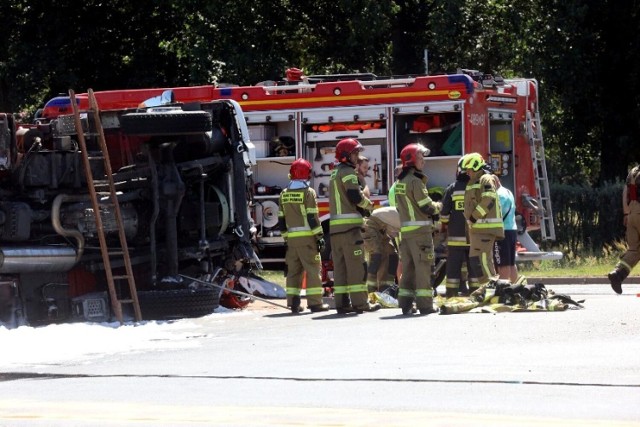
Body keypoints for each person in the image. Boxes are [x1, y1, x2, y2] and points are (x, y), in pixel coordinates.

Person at [329, 138, 380, 314]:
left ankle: (342, 304)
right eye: (354, 153)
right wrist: (369, 205)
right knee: (357, 267)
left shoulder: (335, 173)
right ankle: (361, 304)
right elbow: (355, 196)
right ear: (345, 155)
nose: (357, 158)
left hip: (335, 231)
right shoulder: (349, 172)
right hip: (350, 230)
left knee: (341, 269)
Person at [277, 158, 329, 313]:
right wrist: (319, 237)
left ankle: (293, 303)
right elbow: (312, 218)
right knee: (313, 270)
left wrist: (286, 237)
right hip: (308, 240)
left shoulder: (284, 194)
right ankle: (315, 303)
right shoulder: (308, 192)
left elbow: (281, 220)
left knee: (293, 272)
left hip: (292, 241)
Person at [394, 143, 441, 315]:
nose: (424, 162)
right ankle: (425, 305)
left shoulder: (400, 183)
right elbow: (426, 206)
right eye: (421, 158)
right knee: (424, 269)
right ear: (412, 160)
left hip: (406, 234)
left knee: (408, 269)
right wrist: (439, 206)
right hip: (420, 234)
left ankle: (405, 304)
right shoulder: (415, 182)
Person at [462, 153, 504, 293]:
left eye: (468, 169)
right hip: (476, 230)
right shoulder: (472, 182)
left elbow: (488, 200)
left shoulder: (485, 179)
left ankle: (493, 288)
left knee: (483, 260)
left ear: (475, 166)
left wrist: (474, 217)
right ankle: (488, 287)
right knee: (476, 260)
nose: (467, 172)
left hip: (485, 229)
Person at [440, 156, 477, 297]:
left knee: (453, 266)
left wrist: (446, 225)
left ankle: (451, 293)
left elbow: (444, 214)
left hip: (455, 237)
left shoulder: (452, 188)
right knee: (473, 264)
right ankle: (474, 292)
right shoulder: (475, 187)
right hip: (472, 236)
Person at [608, 164, 640, 294]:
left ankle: (618, 274)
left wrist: (627, 213)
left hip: (632, 214)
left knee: (634, 250)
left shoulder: (633, 171)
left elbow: (626, 192)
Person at [363, 206, 400, 293]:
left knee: (392, 255)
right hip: (370, 226)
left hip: (381, 230)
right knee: (376, 255)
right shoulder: (406, 219)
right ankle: (370, 289)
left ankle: (386, 287)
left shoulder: (403, 216)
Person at [492, 175, 518, 282]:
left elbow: (498, 213)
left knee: (502, 263)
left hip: (502, 232)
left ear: (496, 182)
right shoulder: (508, 192)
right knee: (511, 263)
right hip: (512, 229)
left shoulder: (498, 195)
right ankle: (516, 287)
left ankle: (503, 289)